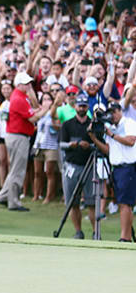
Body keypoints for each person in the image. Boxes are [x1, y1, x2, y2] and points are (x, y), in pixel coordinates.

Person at [0, 72, 49, 211]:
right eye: (25, 84)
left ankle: (3, 196)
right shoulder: (19, 98)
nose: (28, 85)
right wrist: (45, 110)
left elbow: (30, 113)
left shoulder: (21, 96)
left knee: (15, 168)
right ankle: (13, 202)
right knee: (18, 171)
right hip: (18, 136)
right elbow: (32, 119)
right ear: (18, 85)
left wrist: (39, 110)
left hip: (18, 135)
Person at [88, 102, 136, 242]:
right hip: (117, 168)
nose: (112, 115)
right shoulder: (110, 128)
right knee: (122, 202)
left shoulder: (129, 123)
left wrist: (111, 134)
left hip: (128, 167)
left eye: (114, 111)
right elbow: (109, 150)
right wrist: (94, 139)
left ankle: (124, 237)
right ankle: (126, 236)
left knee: (125, 203)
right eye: (110, 112)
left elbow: (131, 141)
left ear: (120, 111)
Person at [59, 94, 96, 239]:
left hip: (89, 165)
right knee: (72, 202)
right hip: (72, 165)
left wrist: (90, 145)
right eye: (79, 105)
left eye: (84, 106)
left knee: (92, 202)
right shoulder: (67, 124)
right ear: (75, 107)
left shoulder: (93, 124)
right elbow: (61, 144)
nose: (81, 108)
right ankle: (78, 231)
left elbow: (100, 145)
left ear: (87, 107)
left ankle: (95, 232)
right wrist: (70, 145)